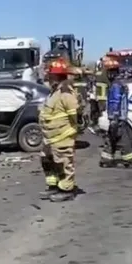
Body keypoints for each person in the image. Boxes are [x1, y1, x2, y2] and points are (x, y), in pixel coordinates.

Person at [38, 67, 80, 202]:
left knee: (63, 162)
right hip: (50, 138)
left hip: (62, 136)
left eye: (51, 76)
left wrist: (71, 132)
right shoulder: (54, 91)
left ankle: (66, 189)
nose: (48, 79)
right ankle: (53, 186)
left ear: (57, 77)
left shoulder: (66, 93)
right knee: (47, 161)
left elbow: (75, 116)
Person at [99, 58, 132, 168]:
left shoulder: (115, 85)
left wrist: (114, 117)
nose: (107, 74)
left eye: (108, 72)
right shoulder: (120, 83)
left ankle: (108, 159)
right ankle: (126, 158)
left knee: (113, 138)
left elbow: (115, 101)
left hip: (117, 117)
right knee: (118, 138)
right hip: (120, 117)